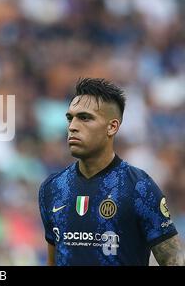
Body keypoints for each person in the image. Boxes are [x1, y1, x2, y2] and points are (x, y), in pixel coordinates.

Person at [38, 78, 184, 266]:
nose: (72, 126)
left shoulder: (139, 187)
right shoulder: (52, 188)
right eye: (70, 118)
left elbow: (174, 260)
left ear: (112, 126)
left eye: (84, 118)